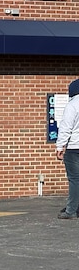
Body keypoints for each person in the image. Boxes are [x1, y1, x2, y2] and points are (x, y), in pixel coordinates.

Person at [56, 79, 79, 219]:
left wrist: (60, 146)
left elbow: (66, 127)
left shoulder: (73, 105)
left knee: (75, 179)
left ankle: (71, 210)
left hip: (74, 147)